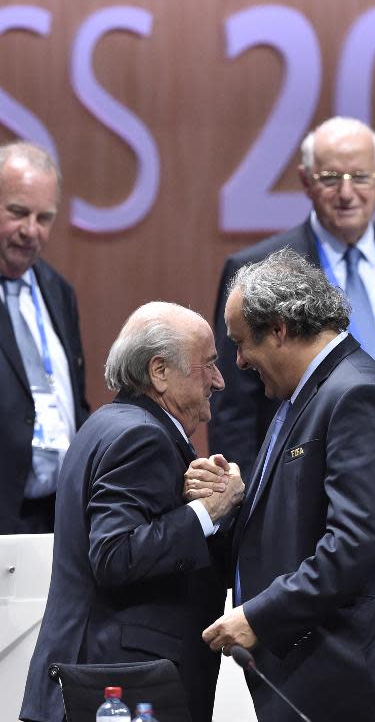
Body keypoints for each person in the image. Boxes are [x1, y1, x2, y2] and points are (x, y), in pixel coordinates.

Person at [197, 249, 375, 722]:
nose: (239, 361)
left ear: (279, 329)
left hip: (358, 674)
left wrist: (258, 616)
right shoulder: (307, 396)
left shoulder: (359, 395)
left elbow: (354, 544)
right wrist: (235, 498)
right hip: (320, 670)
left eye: (242, 342)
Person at [209, 116, 375, 522]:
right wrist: (249, 504)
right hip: (312, 471)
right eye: (331, 177)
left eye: (361, 176)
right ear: (305, 181)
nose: (347, 193)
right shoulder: (261, 269)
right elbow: (235, 408)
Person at [20, 301, 245, 722]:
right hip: (118, 691)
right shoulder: (141, 437)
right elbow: (114, 554)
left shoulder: (109, 424)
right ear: (159, 371)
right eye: (208, 365)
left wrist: (186, 502)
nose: (219, 380)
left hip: (96, 680)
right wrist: (208, 511)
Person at [0, 141, 89, 534]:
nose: (30, 231)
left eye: (44, 217)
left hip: (56, 515)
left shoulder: (58, 291)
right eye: (18, 213)